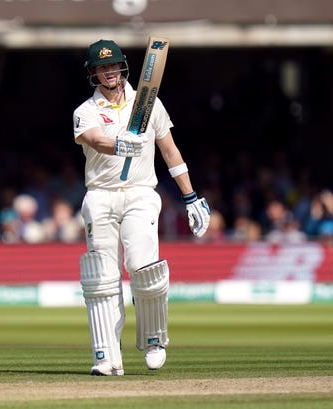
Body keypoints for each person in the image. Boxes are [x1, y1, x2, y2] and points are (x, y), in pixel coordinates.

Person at [73, 39, 210, 376]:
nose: (109, 72)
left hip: (139, 194)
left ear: (123, 67)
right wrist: (120, 142)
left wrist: (191, 197)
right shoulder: (86, 110)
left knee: (143, 267)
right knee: (101, 277)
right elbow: (93, 139)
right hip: (101, 195)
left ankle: (153, 339)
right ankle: (106, 355)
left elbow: (170, 151)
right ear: (93, 73)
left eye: (113, 65)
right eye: (101, 67)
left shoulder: (148, 105)